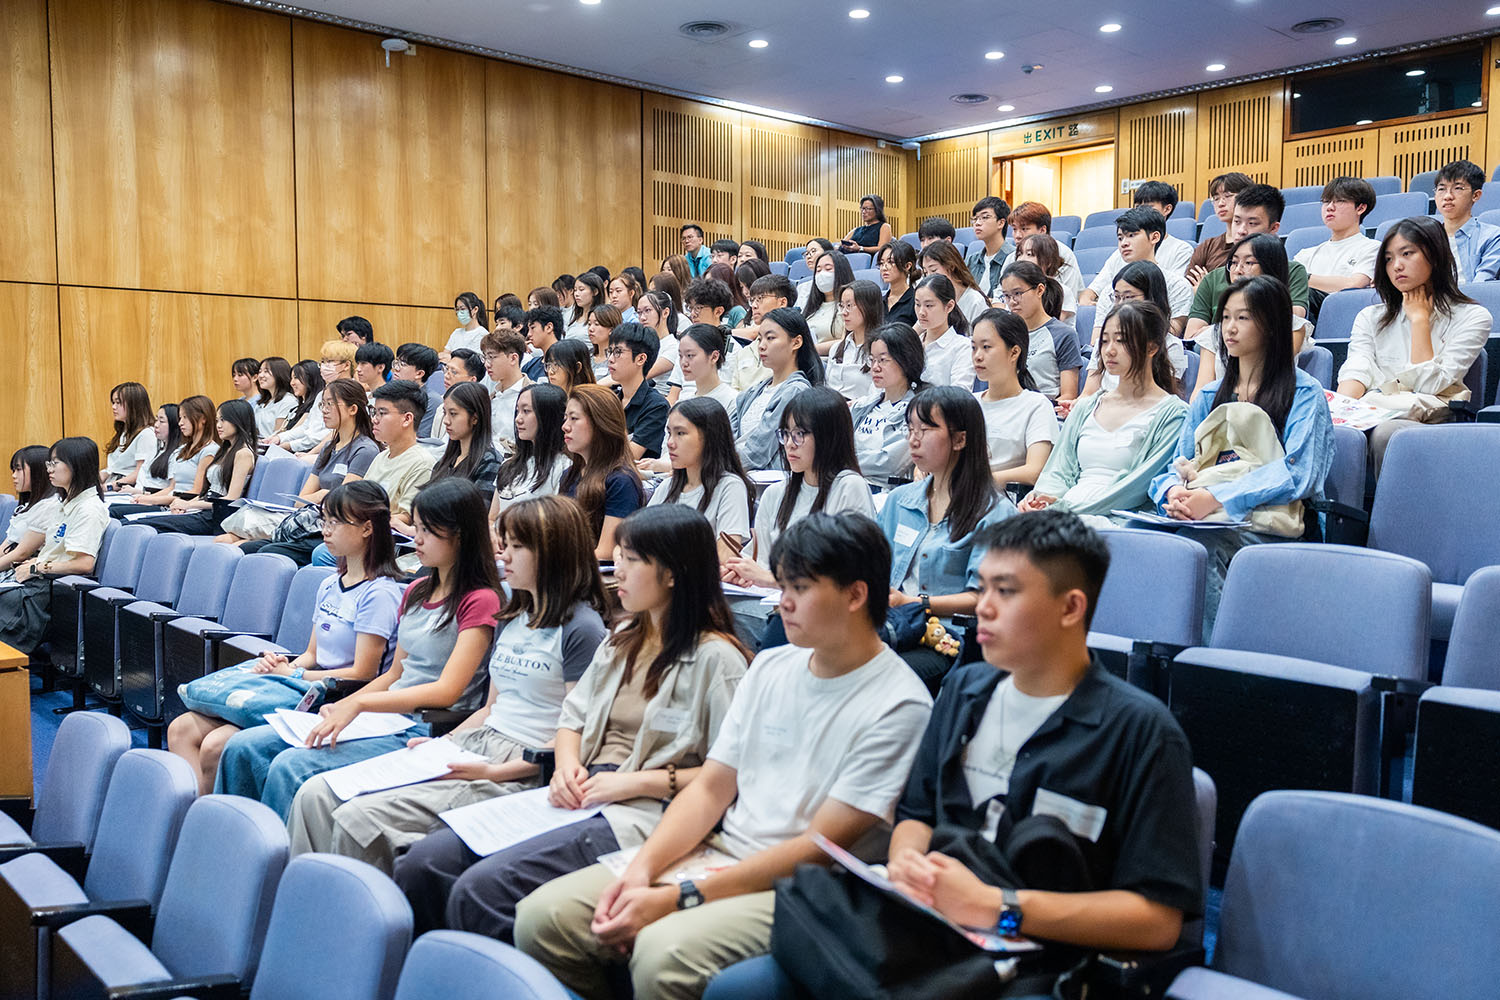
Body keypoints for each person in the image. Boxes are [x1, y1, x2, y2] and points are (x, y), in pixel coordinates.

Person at [514, 513, 933, 1000]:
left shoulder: (898, 703)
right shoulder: (774, 664)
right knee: (543, 918)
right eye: (783, 586)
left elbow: (819, 848)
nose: (784, 602)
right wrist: (641, 871)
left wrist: (676, 898)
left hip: (808, 887)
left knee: (662, 954)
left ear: (856, 595)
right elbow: (713, 788)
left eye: (799, 588)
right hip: (721, 850)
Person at [397, 505, 747, 940]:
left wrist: (632, 783)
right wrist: (565, 767)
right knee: (425, 862)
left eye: (632, 560)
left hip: (641, 812)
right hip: (579, 792)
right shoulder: (622, 640)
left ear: (673, 574)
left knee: (482, 890)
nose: (617, 569)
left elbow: (728, 779)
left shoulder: (718, 660)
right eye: (618, 556)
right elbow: (572, 721)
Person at [288, 494, 609, 875]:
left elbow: (574, 735)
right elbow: (490, 709)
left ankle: (362, 927)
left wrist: (490, 772)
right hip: (476, 742)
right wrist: (444, 743)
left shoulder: (583, 629)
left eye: (517, 547)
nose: (503, 556)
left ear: (552, 553)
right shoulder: (516, 614)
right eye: (504, 545)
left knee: (358, 820)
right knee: (317, 795)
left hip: (523, 765)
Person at [213, 478, 500, 818]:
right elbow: (395, 674)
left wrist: (359, 703)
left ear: (461, 535)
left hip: (423, 723)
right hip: (383, 715)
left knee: (291, 766)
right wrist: (346, 707)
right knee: (243, 747)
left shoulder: (480, 600)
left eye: (428, 531)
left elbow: (447, 691)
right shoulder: (417, 590)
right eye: (417, 527)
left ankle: (277, 863)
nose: (416, 539)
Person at [168, 481, 404, 793]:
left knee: (215, 745)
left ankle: (216, 827)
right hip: (306, 683)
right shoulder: (330, 584)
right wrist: (282, 663)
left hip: (334, 697)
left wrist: (294, 673)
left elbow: (363, 673)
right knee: (180, 728)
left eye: (336, 522)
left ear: (366, 529)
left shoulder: (380, 593)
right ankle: (192, 822)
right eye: (325, 521)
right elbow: (311, 654)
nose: (326, 530)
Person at [1152, 275, 1335, 622]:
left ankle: (1211, 666)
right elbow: (1176, 464)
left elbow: (1300, 474)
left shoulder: (1304, 393)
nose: (1229, 328)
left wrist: (1219, 497)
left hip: (1273, 525)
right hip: (1208, 516)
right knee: (1138, 539)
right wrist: (1173, 491)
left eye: (1243, 317)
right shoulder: (1208, 396)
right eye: (1225, 318)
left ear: (1271, 325)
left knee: (1201, 550)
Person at [882, 387, 1017, 690]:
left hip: (947, 639)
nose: (913, 439)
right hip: (891, 625)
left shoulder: (994, 512)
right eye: (910, 429)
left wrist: (915, 602)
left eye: (927, 429)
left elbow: (984, 598)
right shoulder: (899, 500)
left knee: (874, 675)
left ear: (960, 439)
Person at [1336, 216, 1491, 474]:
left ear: (1436, 255)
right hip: (1374, 409)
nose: (1396, 266)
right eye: (1388, 259)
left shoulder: (1473, 317)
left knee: (1389, 434)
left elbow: (1429, 385)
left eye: (1407, 253)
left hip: (1432, 419)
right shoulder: (1370, 316)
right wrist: (1339, 412)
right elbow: (1357, 368)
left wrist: (1420, 320)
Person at [1023, 302, 1188, 521]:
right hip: (1065, 515)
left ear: (1151, 347)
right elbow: (1057, 471)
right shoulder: (1086, 407)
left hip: (1120, 520)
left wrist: (1065, 510)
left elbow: (1138, 486)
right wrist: (1040, 498)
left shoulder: (1174, 414)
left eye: (1121, 340)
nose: (1109, 350)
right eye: (1105, 340)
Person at [723, 387, 875, 590]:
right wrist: (739, 573)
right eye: (785, 434)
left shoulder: (850, 487)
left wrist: (768, 579)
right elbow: (758, 562)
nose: (789, 444)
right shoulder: (775, 493)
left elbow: (846, 574)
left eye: (799, 434)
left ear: (829, 437)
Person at [0, 437, 111, 653]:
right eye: (49, 463)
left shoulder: (88, 509)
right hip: (35, 584)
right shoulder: (67, 503)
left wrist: (37, 567)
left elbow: (84, 564)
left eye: (55, 463)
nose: (49, 469)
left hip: (50, 594)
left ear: (75, 465)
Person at [1191, 235, 1316, 394]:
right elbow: (1201, 391)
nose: (1237, 270)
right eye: (1234, 263)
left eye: (1248, 263)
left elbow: (1270, 376)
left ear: (1272, 268)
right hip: (1222, 413)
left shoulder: (1291, 327)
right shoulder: (1214, 333)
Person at [1186, 184, 1310, 341]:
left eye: (1252, 223)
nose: (1241, 230)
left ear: (1273, 228)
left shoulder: (1291, 270)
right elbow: (1191, 337)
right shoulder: (1212, 278)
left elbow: (1292, 320)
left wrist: (1215, 329)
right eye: (1237, 221)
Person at [138, 399, 258, 535]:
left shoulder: (243, 454)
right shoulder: (225, 450)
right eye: (217, 420)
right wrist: (182, 504)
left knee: (143, 525)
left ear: (238, 420)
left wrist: (188, 504)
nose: (218, 425)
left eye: (223, 420)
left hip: (215, 517)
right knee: (139, 523)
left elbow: (230, 500)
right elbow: (206, 494)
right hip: (204, 509)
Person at [644, 398, 753, 543]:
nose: (670, 443)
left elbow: (727, 554)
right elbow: (638, 540)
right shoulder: (667, 486)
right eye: (669, 433)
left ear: (709, 437)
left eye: (680, 433)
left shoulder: (730, 486)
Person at [1080, 261, 1191, 400]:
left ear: (1151, 298)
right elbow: (1088, 393)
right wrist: (1075, 406)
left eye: (1128, 297)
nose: (1120, 304)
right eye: (1116, 297)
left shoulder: (1172, 345)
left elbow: (1165, 397)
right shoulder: (1104, 341)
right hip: (1100, 408)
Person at [971, 309, 1057, 488]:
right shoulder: (969, 403)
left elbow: (1035, 471)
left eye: (986, 347)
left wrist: (976, 481)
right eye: (974, 347)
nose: (977, 356)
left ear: (1014, 352)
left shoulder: (1036, 406)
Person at [731, 307, 823, 470]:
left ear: (796, 342)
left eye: (770, 338)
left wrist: (714, 468)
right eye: (760, 339)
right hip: (736, 471)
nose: (762, 346)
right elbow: (727, 432)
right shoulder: (754, 391)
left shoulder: (796, 391)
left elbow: (757, 453)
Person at [562, 384, 646, 560]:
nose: (565, 426)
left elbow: (606, 553)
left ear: (600, 422)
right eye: (565, 418)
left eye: (574, 418)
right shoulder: (569, 474)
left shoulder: (621, 481)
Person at [1089, 208, 1194, 340]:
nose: (1124, 243)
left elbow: (1170, 336)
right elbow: (1097, 340)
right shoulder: (1109, 290)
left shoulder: (1178, 286)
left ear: (1155, 237)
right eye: (1120, 238)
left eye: (1132, 235)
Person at [1080, 181, 1194, 302]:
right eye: (1138, 207)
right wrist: (1086, 301)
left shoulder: (1181, 250)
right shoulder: (1121, 252)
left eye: (1148, 207)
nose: (1141, 211)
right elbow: (1093, 289)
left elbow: (1173, 293)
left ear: (1167, 209)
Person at [850, 323, 925, 490]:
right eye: (872, 360)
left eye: (883, 360)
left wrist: (841, 461)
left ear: (906, 360)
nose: (875, 367)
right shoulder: (862, 406)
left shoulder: (918, 412)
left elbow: (889, 463)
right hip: (847, 482)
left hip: (880, 490)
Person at [999, 260, 1084, 403]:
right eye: (1007, 296)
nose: (1012, 301)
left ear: (1039, 290)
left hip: (1044, 410)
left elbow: (1068, 396)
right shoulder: (1005, 334)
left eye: (1018, 293)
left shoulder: (1063, 334)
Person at [362, 380, 437, 536]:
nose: (374, 419)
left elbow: (407, 518)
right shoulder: (381, 456)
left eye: (382, 413)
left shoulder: (422, 463)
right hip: (363, 530)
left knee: (321, 553)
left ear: (407, 419)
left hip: (384, 539)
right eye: (374, 412)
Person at [491, 383, 572, 519]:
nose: (518, 419)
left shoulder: (564, 468)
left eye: (526, 411)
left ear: (547, 416)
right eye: (517, 411)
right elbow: (492, 517)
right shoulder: (508, 465)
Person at [1296, 176, 1380, 299]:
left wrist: (1300, 277)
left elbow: (1355, 284)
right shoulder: (1305, 255)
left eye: (1340, 201)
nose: (1330, 207)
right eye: (1326, 201)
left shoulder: (1372, 248)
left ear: (1360, 208)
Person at [431, 382, 503, 507]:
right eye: (445, 413)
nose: (446, 421)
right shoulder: (446, 460)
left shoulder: (490, 461)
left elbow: (478, 512)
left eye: (453, 414)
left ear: (475, 418)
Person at [106, 403, 182, 517]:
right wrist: (140, 493)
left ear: (174, 425)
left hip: (156, 503)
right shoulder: (156, 449)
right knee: (102, 506)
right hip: (141, 496)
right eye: (156, 420)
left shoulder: (177, 454)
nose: (156, 425)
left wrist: (145, 496)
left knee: (111, 512)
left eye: (161, 421)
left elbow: (171, 488)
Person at [608, 323, 670, 460]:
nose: (610, 359)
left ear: (641, 358)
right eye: (610, 351)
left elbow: (630, 457)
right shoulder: (610, 398)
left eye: (618, 352)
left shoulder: (656, 405)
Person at [1003, 202, 1086, 304]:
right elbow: (1000, 295)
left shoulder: (1063, 254)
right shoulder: (1012, 257)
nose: (1017, 235)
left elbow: (1067, 300)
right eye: (1015, 229)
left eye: (1024, 229)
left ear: (1042, 230)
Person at [1433, 159, 1500, 283]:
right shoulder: (1427, 239)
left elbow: (1480, 286)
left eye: (1458, 188)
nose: (1447, 196)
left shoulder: (1492, 236)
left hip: (1471, 300)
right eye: (1441, 189)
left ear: (1476, 195)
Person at [1186, 171, 1254, 285]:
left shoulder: (1256, 243)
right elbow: (1189, 285)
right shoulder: (1207, 246)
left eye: (1227, 196)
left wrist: (1208, 286)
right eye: (1216, 199)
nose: (1221, 203)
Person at [823, 278, 886, 402]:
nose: (843, 313)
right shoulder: (836, 349)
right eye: (842, 306)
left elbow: (879, 396)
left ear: (869, 307)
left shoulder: (883, 350)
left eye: (849, 306)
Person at [0, 446, 59, 575]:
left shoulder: (49, 506)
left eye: (19, 469)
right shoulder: (30, 505)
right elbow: (6, 545)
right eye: (13, 470)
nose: (13, 476)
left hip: (31, 577)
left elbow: (21, 553)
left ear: (38, 471)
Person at [913, 274, 976, 389]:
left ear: (949, 306)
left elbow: (960, 394)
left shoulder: (962, 347)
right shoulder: (912, 343)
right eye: (917, 304)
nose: (921, 312)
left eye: (929, 305)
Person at [100, 382, 154, 489]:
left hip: (126, 488)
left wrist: (109, 487)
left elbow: (139, 473)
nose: (113, 407)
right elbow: (113, 468)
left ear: (133, 405)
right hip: (113, 481)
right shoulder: (124, 431)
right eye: (113, 402)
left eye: (118, 403)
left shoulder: (147, 434)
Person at [1015, 232, 1081, 320]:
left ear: (1048, 261)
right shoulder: (1014, 290)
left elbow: (1054, 327)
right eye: (1020, 254)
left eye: (1029, 254)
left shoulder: (1062, 291)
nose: (1021, 259)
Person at [264, 360, 326, 453]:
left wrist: (288, 444)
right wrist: (276, 438)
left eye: (296, 378)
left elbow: (312, 434)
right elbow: (302, 429)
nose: (292, 383)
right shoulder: (297, 408)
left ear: (311, 379)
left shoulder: (314, 405)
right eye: (291, 378)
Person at [920, 241, 989, 323]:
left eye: (933, 270)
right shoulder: (933, 298)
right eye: (925, 272)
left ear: (951, 266)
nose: (929, 277)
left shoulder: (975, 301)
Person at [674, 324, 738, 412]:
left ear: (714, 357)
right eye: (680, 356)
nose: (683, 363)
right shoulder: (682, 403)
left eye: (690, 355)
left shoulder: (732, 401)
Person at [965, 195, 1015, 300]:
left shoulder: (1013, 257)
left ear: (1001, 223)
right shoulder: (971, 260)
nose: (977, 223)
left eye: (985, 217)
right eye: (975, 219)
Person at [802, 249, 853, 344]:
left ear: (841, 271)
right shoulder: (811, 307)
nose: (822, 274)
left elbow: (847, 341)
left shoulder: (850, 306)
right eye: (818, 270)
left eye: (828, 269)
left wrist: (813, 350)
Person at [391, 344, 443, 437]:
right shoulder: (393, 394)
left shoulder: (431, 400)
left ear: (419, 374)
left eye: (402, 365)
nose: (396, 369)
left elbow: (421, 439)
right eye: (396, 363)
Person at [638, 289, 683, 391]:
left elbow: (639, 376)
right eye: (639, 312)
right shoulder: (641, 344)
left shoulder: (673, 347)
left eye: (647, 310)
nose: (642, 317)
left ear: (665, 312)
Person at [251, 357, 298, 437]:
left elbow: (278, 434)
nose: (261, 376)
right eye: (260, 371)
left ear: (279, 373)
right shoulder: (262, 403)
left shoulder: (288, 401)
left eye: (266, 371)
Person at [878, 239, 919, 326]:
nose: (884, 268)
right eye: (881, 263)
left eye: (891, 262)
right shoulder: (878, 303)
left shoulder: (916, 301)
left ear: (907, 266)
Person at [526, 305, 567, 382]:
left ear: (549, 327)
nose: (529, 334)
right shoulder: (530, 365)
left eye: (532, 328)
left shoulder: (566, 363)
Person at [706, 262, 749, 328]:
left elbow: (742, 336)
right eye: (706, 284)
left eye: (711, 284)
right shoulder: (705, 310)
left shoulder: (737, 311)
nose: (707, 288)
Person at [568, 274, 606, 341]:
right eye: (575, 290)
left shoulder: (602, 317)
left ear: (595, 292)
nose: (576, 294)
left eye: (581, 289)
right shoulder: (573, 316)